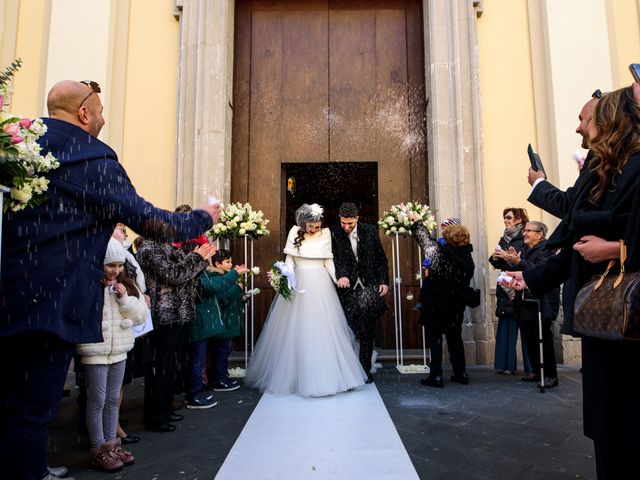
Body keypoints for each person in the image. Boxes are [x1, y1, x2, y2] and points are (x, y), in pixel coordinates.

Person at [0, 80, 219, 480]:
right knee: (33, 409)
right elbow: (152, 221)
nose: (102, 117)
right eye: (99, 110)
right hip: (50, 303)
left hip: (11, 292)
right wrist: (203, 218)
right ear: (84, 113)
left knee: (16, 406)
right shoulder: (89, 159)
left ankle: (31, 465)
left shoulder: (18, 151)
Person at [505, 85, 640, 479]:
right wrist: (529, 277)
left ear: (612, 122)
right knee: (605, 424)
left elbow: (586, 223)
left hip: (628, 309)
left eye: (586, 119)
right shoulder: (603, 170)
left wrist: (619, 249)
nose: (579, 128)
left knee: (627, 423)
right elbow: (574, 238)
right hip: (601, 311)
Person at [245, 203, 367, 397]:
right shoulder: (294, 232)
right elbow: (289, 261)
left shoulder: (325, 234)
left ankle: (328, 376)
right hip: (298, 283)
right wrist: (283, 277)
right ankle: (294, 376)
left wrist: (337, 279)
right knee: (296, 328)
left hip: (321, 284)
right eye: (311, 227)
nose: (315, 230)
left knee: (323, 328)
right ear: (303, 223)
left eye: (317, 226)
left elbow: (328, 261)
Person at [136, 205, 217, 432]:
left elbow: (188, 274)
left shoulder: (166, 247)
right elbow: (174, 276)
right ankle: (156, 416)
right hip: (165, 314)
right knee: (161, 366)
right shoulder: (150, 249)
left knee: (171, 365)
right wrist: (196, 257)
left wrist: (202, 258)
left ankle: (166, 407)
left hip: (179, 313)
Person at [76, 239, 148, 472]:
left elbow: (140, 316)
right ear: (99, 264)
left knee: (113, 399)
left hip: (120, 350)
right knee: (96, 400)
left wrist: (125, 298)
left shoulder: (125, 285)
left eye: (118, 265)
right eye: (110, 265)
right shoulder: (88, 285)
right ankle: (99, 449)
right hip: (95, 350)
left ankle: (112, 444)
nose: (115, 270)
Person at [407, 211, 474, 387]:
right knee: (455, 339)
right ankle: (461, 373)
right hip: (456, 305)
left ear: (448, 237)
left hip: (436, 303)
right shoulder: (468, 258)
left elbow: (425, 241)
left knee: (435, 339)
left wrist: (416, 220)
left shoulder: (442, 254)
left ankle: (435, 375)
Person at [330, 202, 389, 382]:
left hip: (369, 286)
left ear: (357, 218)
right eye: (343, 223)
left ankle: (364, 371)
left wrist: (383, 281)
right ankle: (346, 371)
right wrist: (341, 276)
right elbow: (333, 259)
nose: (346, 227)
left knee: (367, 330)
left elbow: (381, 258)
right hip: (346, 290)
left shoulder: (370, 231)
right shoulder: (334, 234)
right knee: (347, 329)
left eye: (350, 223)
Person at [500, 221, 559, 387]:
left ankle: (550, 375)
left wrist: (519, 262)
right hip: (525, 301)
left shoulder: (547, 250)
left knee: (543, 339)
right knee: (529, 338)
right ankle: (536, 371)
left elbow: (540, 271)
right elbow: (521, 269)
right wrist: (509, 260)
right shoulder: (525, 249)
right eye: (524, 230)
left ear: (539, 234)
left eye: (529, 231)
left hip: (542, 301)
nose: (524, 233)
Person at [527, 90, 601, 219]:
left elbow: (570, 206)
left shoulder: (602, 158)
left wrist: (538, 182)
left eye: (582, 119)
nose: (578, 129)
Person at [489, 208, 531, 375]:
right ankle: (505, 364)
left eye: (509, 218)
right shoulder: (504, 237)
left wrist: (510, 258)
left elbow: (526, 261)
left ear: (518, 219)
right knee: (507, 323)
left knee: (527, 326)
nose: (505, 221)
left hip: (520, 285)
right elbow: (499, 263)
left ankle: (531, 366)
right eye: (504, 217)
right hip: (505, 287)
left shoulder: (525, 238)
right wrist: (495, 257)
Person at [206, 249, 247, 392]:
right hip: (223, 322)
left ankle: (221, 376)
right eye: (227, 262)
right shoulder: (217, 278)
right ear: (217, 263)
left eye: (231, 261)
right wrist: (238, 288)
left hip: (228, 321)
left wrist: (241, 297)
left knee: (224, 350)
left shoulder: (225, 277)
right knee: (221, 352)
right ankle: (219, 380)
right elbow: (222, 299)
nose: (230, 265)